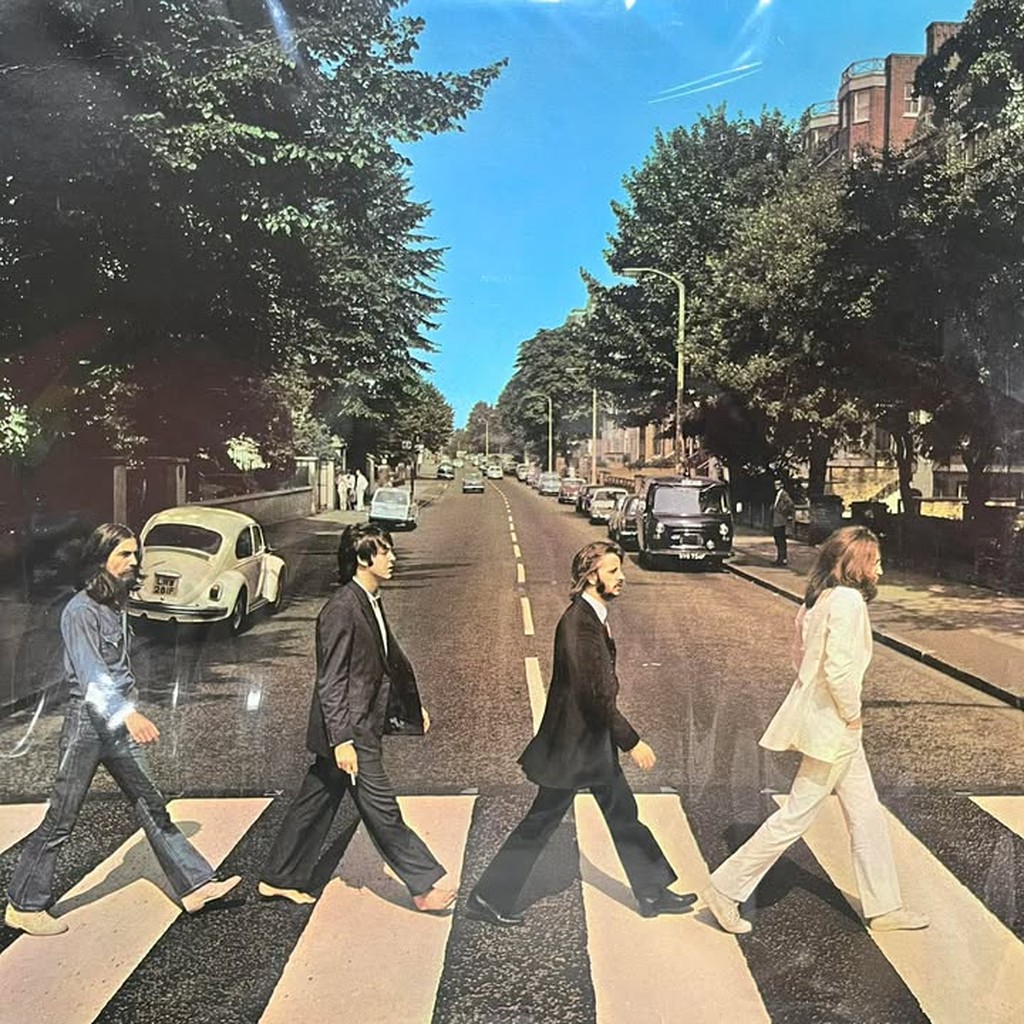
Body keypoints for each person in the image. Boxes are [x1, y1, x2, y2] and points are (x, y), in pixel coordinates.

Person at [4, 524, 240, 936]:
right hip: (88, 724)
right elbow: (92, 674)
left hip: (116, 724)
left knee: (152, 803)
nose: (134, 561)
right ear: (100, 560)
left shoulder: (116, 603)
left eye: (135, 554)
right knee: (62, 817)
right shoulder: (80, 611)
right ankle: (24, 904)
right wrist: (128, 714)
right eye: (124, 554)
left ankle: (196, 885)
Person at [702, 526, 929, 935]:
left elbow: (800, 658)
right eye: (875, 562)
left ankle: (884, 908)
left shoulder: (819, 599)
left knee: (866, 815)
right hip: (836, 728)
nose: (880, 570)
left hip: (830, 724)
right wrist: (852, 714)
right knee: (796, 815)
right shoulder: (848, 602)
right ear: (856, 565)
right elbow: (838, 669)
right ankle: (726, 888)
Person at [466, 541, 696, 926]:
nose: (621, 577)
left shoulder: (593, 617)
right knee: (542, 822)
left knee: (624, 814)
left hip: (589, 743)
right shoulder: (579, 625)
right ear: (591, 577)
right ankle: (487, 897)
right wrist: (632, 741)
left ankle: (652, 891)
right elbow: (595, 696)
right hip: (573, 749)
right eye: (612, 571)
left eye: (620, 570)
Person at [258, 523, 455, 912]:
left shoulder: (369, 599)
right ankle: (422, 886)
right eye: (385, 552)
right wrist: (342, 740)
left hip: (359, 721)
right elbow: (331, 680)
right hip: (351, 729)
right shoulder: (342, 609)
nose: (393, 558)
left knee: (316, 799)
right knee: (382, 810)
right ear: (363, 559)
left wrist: (411, 708)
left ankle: (278, 877)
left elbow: (384, 664)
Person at [771, 478, 796, 566]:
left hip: (781, 521)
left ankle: (783, 559)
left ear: (782, 485)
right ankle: (779, 558)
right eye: (775, 484)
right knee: (778, 540)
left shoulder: (784, 494)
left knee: (781, 541)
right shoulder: (778, 494)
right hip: (777, 521)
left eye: (778, 484)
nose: (776, 486)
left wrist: (783, 511)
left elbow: (790, 504)